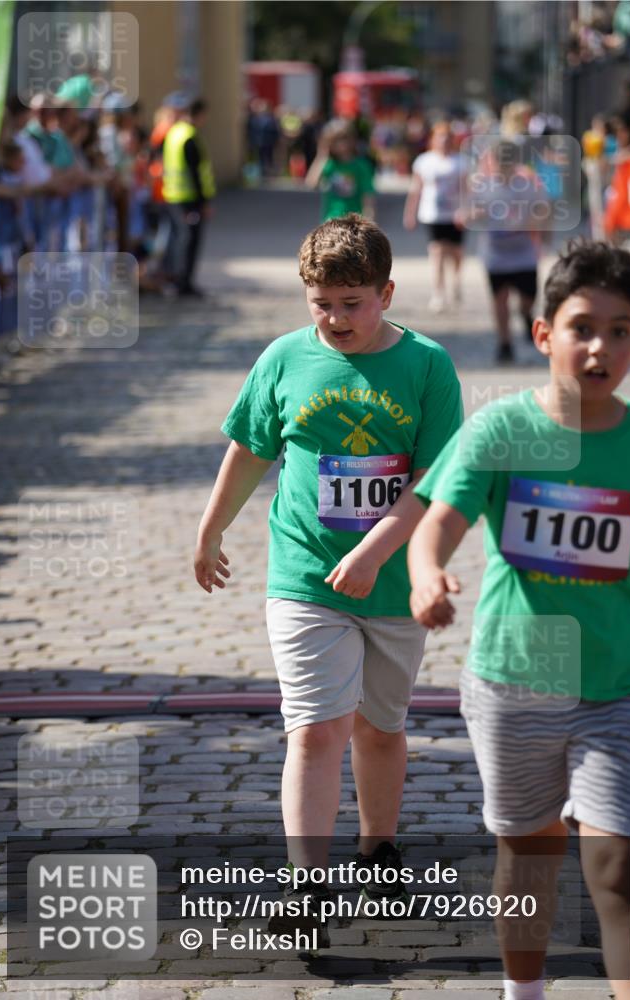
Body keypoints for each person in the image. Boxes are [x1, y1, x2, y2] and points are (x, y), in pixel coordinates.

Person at [194, 213, 462, 932]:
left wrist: (377, 550)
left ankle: (378, 852)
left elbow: (436, 479)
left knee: (379, 726)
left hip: (393, 582)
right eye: (322, 303)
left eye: (353, 302)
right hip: (304, 577)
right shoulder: (282, 359)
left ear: (386, 292)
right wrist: (211, 526)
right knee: (316, 728)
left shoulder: (426, 364)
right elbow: (250, 447)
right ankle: (305, 887)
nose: (337, 318)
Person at [408, 241, 630, 1000]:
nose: (599, 348)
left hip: (625, 680)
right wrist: (426, 575)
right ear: (543, 334)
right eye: (581, 327)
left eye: (619, 331)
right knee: (529, 853)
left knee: (622, 866)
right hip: (519, 679)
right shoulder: (498, 431)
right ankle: (525, 991)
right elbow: (435, 525)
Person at [470, 140, 545, 365]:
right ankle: (505, 344)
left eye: (507, 160)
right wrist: (474, 215)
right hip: (495, 256)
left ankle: (525, 314)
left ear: (515, 162)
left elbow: (542, 209)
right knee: (499, 300)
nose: (503, 165)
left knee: (527, 300)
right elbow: (469, 213)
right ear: (492, 162)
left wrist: (532, 222)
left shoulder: (528, 185)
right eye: (499, 160)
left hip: (523, 254)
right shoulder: (482, 186)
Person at [403, 121, 467, 312]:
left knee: (456, 253)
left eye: (447, 139)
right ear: (433, 140)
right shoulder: (424, 161)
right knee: (437, 252)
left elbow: (466, 190)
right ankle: (438, 293)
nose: (444, 142)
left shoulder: (460, 162)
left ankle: (456, 283)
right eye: (440, 138)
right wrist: (410, 213)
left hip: (454, 214)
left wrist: (465, 210)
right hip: (432, 214)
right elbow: (416, 188)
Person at [162, 95, 215, 297]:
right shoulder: (189, 136)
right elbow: (195, 172)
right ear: (198, 114)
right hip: (189, 199)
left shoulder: (174, 132)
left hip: (173, 195)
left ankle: (176, 279)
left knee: (177, 240)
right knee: (189, 241)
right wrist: (204, 202)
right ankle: (184, 283)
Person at [305, 120, 375, 221]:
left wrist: (369, 220)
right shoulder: (328, 164)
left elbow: (368, 197)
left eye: (343, 139)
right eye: (334, 141)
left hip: (353, 220)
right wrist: (321, 156)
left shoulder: (360, 165)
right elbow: (311, 183)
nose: (340, 144)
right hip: (330, 219)